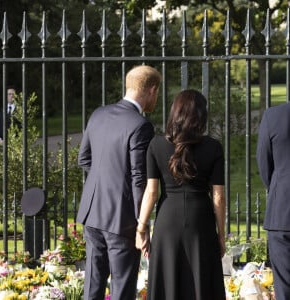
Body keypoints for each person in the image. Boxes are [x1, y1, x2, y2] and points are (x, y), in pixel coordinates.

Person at [77, 65, 161, 300]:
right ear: (152, 90)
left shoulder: (98, 114)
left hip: (92, 214)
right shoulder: (141, 125)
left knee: (92, 285)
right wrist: (140, 225)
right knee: (122, 289)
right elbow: (138, 178)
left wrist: (104, 184)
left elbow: (84, 159)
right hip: (121, 219)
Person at [136, 89, 226, 300]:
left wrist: (141, 227)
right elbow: (219, 197)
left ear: (174, 113)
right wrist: (221, 235)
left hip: (167, 220)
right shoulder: (213, 147)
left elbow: (151, 192)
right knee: (202, 280)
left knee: (167, 281)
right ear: (201, 116)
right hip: (200, 221)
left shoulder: (156, 145)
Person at [256, 102, 290, 300]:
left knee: (284, 284)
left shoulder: (273, 116)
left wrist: (277, 188)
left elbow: (264, 162)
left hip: (282, 211)